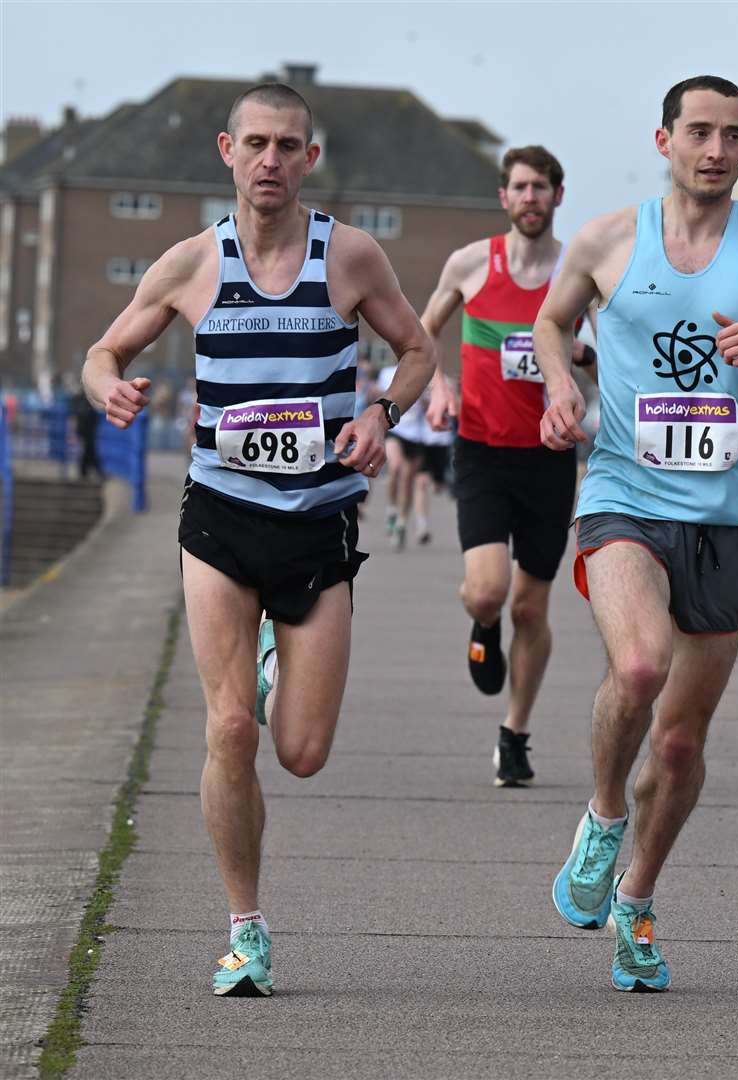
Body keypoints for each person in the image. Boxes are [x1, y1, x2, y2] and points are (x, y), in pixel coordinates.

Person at [81, 82, 436, 997]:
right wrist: (107, 388)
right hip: (222, 517)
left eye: (289, 146)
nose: (271, 160)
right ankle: (245, 929)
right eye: (257, 145)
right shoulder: (190, 264)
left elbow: (419, 350)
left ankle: (278, 656)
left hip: (317, 521)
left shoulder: (349, 257)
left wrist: (381, 413)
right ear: (226, 151)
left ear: (309, 159)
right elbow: (101, 353)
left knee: (301, 752)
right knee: (229, 728)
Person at [534, 75, 738, 992]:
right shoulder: (606, 239)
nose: (714, 149)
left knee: (677, 745)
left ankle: (636, 899)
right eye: (698, 132)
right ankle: (601, 820)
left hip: (723, 518)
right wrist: (563, 389)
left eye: (732, 136)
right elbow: (552, 324)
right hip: (623, 495)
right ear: (664, 139)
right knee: (637, 668)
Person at [420, 145, 596, 787]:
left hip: (550, 457)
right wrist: (439, 385)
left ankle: (515, 733)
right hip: (483, 450)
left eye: (541, 187)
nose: (530, 198)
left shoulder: (580, 271)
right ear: (504, 197)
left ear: (558, 195)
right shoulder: (470, 264)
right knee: (490, 591)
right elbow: (420, 331)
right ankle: (480, 623)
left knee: (532, 608)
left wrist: (583, 358)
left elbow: (611, 354)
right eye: (519, 187)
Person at [377, 359, 450, 548]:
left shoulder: (421, 370)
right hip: (395, 430)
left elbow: (430, 404)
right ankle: (392, 509)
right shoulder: (386, 373)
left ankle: (401, 521)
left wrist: (427, 399)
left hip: (415, 435)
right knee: (396, 467)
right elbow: (376, 397)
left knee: (409, 479)